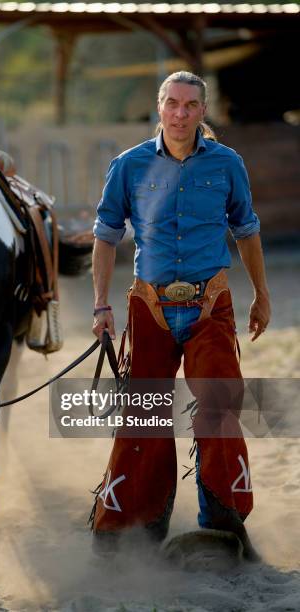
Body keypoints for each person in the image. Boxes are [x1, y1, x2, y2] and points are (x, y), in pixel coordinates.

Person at [90, 71, 271, 560]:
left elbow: (247, 230)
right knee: (143, 413)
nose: (180, 113)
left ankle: (223, 522)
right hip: (148, 306)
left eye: (190, 105)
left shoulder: (228, 164)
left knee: (220, 406)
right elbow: (106, 235)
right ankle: (130, 525)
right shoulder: (127, 167)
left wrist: (261, 295)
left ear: (203, 111)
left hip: (211, 304)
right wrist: (102, 305)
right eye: (172, 103)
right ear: (160, 106)